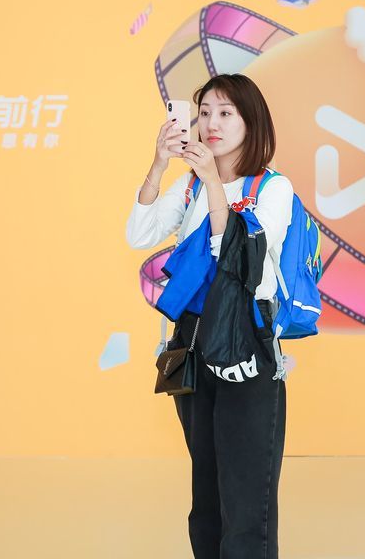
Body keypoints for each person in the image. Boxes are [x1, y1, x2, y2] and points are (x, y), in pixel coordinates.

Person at [125, 73, 294, 558]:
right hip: (193, 340)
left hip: (246, 338)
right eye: (203, 113)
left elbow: (242, 260)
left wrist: (215, 184)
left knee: (246, 494)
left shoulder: (273, 188)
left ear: (251, 121)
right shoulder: (190, 185)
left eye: (225, 113)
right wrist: (159, 165)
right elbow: (139, 234)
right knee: (207, 492)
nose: (211, 124)